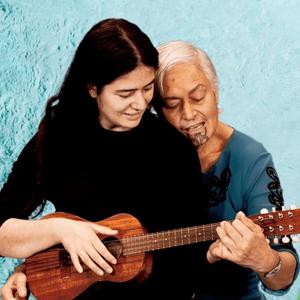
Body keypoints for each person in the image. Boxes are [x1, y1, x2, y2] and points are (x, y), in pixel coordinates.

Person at [0, 20, 205, 300]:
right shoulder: (58, 137)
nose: (140, 104)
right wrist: (54, 236)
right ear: (93, 88)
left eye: (147, 88)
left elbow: (191, 266)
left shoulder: (173, 150)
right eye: (125, 93)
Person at [153, 40, 299, 300]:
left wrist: (266, 261)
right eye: (173, 104)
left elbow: (284, 274)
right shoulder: (147, 153)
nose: (188, 114)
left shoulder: (251, 160)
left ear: (216, 92)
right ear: (157, 110)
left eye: (198, 97)